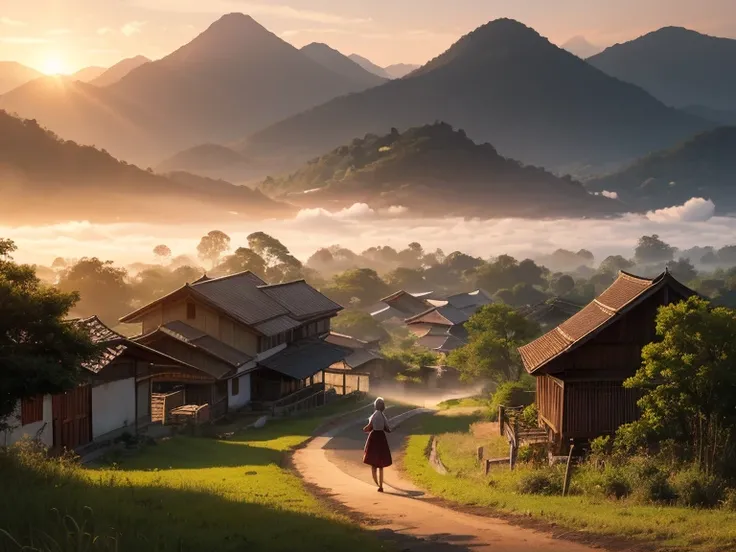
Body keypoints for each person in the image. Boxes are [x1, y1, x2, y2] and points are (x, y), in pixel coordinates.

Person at [363, 397, 392, 492]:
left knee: (373, 462)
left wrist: (365, 429)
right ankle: (381, 486)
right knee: (381, 464)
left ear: (375, 406)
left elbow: (369, 427)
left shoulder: (374, 415)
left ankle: (376, 483)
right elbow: (387, 428)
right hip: (381, 438)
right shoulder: (383, 416)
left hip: (374, 437)